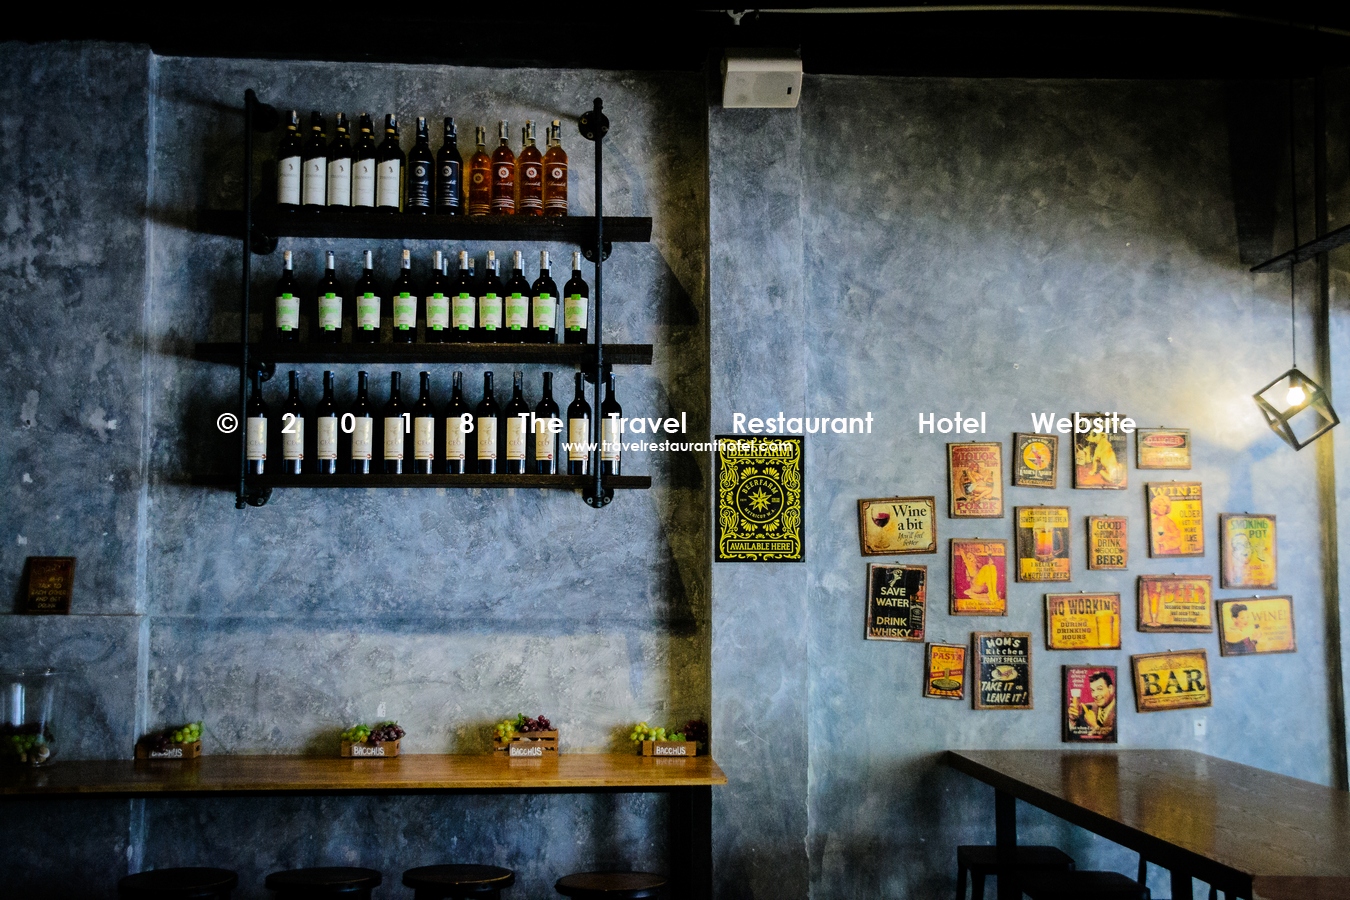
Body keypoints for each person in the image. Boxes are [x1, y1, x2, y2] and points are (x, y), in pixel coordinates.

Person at [1067, 671, 1116, 738]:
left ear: (1110, 689)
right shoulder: (1086, 708)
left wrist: (1094, 726)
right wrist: (1072, 721)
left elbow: (1113, 738)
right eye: (1092, 690)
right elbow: (1072, 737)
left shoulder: (1120, 710)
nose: (1095, 695)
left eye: (1099, 689)